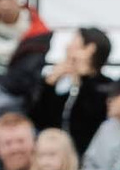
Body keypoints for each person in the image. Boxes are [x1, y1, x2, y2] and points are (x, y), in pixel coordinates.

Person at [28, 25, 115, 154]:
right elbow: (37, 117)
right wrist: (49, 84)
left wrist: (84, 78)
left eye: (75, 43)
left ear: (91, 50)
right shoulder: (56, 81)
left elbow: (90, 118)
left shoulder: (106, 86)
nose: (67, 47)